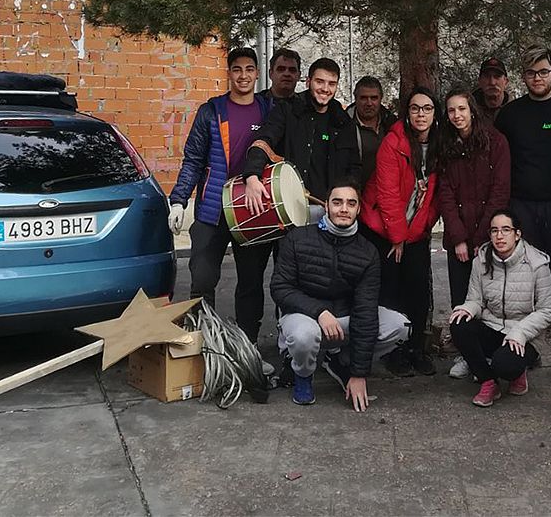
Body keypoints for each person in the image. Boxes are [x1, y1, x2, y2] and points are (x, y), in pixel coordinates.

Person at [270, 179, 410, 409]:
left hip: (343, 319)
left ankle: (340, 360)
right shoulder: (297, 238)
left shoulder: (367, 252)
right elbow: (280, 288)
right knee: (305, 336)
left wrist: (358, 372)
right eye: (337, 202)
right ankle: (303, 374)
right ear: (326, 206)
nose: (343, 209)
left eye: (350, 203)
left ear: (358, 209)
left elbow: (366, 310)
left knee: (399, 325)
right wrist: (319, 312)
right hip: (303, 315)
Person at [168, 48, 273, 343]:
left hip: (252, 212)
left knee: (251, 285)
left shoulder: (267, 111)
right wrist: (178, 200)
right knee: (202, 280)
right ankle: (205, 346)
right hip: (212, 212)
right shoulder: (211, 111)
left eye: (249, 69)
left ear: (257, 73)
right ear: (229, 73)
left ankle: (247, 346)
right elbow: (193, 160)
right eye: (237, 69)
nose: (243, 75)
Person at [495, 45, 551, 382]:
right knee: (521, 283)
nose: (537, 78)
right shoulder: (510, 115)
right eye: (531, 73)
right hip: (522, 209)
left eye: (543, 72)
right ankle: (523, 349)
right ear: (523, 77)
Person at [361, 87, 441, 376]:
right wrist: (397, 238)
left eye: (427, 108)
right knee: (390, 290)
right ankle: (392, 351)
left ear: (435, 114)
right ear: (407, 113)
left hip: (415, 232)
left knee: (417, 290)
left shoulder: (438, 146)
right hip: (382, 229)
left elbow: (434, 200)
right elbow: (388, 195)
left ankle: (416, 347)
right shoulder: (392, 143)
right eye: (415, 108)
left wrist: (411, 235)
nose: (421, 114)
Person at [436, 86, 511, 379]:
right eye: (451, 110)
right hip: (459, 240)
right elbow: (445, 193)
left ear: (472, 110)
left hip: (491, 238)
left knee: (491, 300)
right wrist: (458, 238)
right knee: (461, 299)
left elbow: (499, 192)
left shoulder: (496, 142)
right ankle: (467, 354)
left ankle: (493, 352)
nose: (457, 115)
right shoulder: (447, 144)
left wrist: (482, 239)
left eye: (462, 109)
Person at [449, 209, 551, 407]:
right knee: (459, 323)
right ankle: (488, 382)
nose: (499, 236)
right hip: (492, 327)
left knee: (505, 365)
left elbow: (547, 310)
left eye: (506, 230)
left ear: (517, 234)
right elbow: (476, 300)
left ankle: (518, 371)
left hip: (524, 336)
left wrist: (520, 333)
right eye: (494, 231)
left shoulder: (537, 264)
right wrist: (467, 309)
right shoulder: (481, 261)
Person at [243, 57, 359, 206]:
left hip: (328, 209)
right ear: (308, 81)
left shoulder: (343, 121)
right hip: (288, 205)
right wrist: (252, 176)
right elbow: (264, 140)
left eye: (331, 84)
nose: (325, 89)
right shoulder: (288, 110)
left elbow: (354, 167)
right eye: (319, 81)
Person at [346, 76, 397, 188]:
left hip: (387, 191)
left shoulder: (392, 125)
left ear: (381, 98)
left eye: (374, 98)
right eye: (363, 98)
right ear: (355, 98)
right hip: (356, 192)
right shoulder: (343, 127)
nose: (369, 103)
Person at [473, 57, 510, 121]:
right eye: (487, 77)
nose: (492, 82)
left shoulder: (517, 111)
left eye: (497, 76)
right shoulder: (469, 111)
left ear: (506, 82)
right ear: (479, 81)